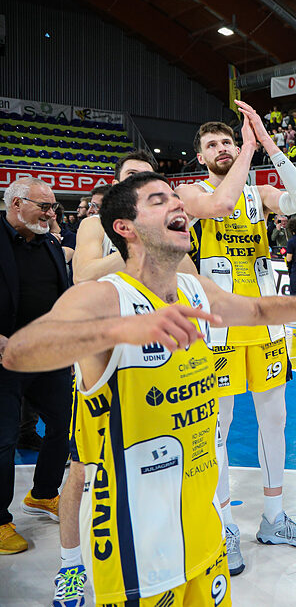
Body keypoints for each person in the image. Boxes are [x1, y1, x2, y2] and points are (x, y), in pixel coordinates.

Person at [1, 171, 296, 607]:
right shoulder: (103, 297)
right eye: (159, 200)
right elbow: (19, 353)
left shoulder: (193, 287)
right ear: (125, 228)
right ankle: (71, 565)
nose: (178, 204)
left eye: (175, 197)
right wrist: (122, 329)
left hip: (201, 523)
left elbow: (255, 310)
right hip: (134, 533)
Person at [177, 101, 296, 575]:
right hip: (216, 330)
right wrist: (247, 150)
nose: (222, 148)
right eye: (212, 144)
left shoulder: (258, 193)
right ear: (200, 156)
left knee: (275, 420)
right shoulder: (190, 193)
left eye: (228, 142)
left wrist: (267, 142)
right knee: (218, 427)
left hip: (265, 326)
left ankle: (274, 518)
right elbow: (221, 204)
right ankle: (224, 529)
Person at [53, 150, 161, 603]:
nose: (139, 180)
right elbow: (83, 274)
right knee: (83, 467)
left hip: (151, 357)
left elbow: (190, 279)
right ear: (117, 182)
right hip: (101, 357)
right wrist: (138, 246)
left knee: (147, 461)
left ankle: (147, 551)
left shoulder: (163, 227)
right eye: (131, 175)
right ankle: (70, 566)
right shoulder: (95, 225)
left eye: (146, 177)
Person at [0, 178, 72, 572]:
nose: (51, 213)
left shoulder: (49, 244)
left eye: (53, 206)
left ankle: (43, 493)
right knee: (4, 440)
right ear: (16, 203)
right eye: (43, 206)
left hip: (49, 355)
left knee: (63, 425)